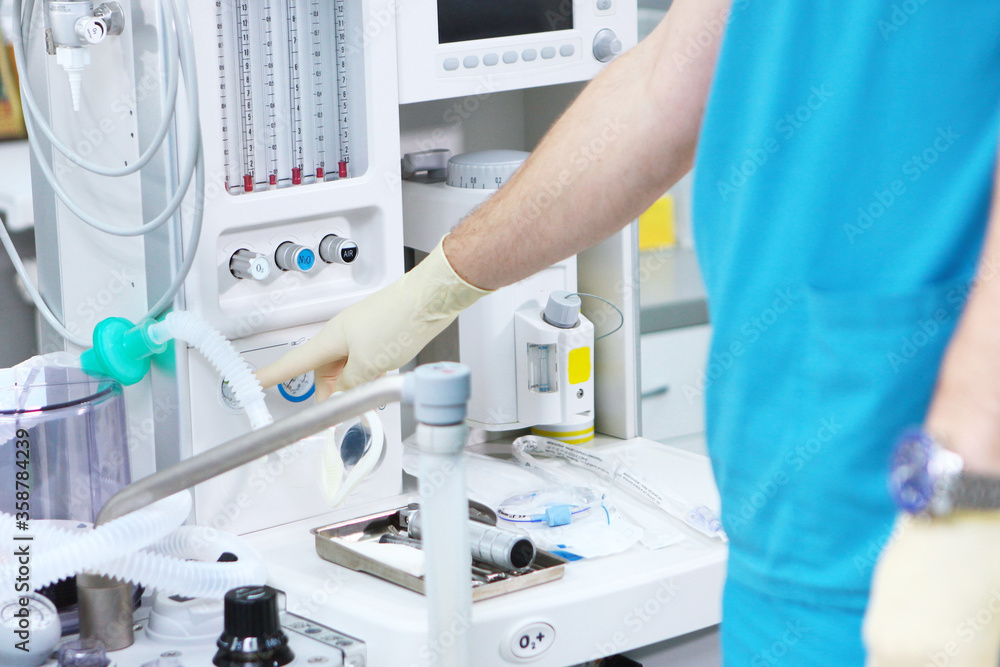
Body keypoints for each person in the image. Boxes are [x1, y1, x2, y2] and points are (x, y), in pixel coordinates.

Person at [257, 1, 1000, 663]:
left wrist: (969, 498)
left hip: (936, 533)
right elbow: (661, 88)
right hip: (785, 538)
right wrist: (431, 289)